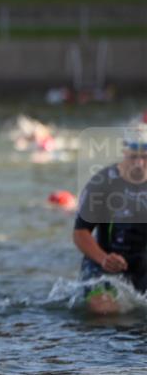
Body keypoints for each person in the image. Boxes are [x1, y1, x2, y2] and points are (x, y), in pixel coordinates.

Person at [73, 123, 147, 314]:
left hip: (143, 264)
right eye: (134, 157)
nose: (139, 163)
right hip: (104, 264)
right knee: (105, 311)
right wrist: (104, 259)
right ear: (124, 152)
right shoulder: (103, 183)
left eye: (145, 157)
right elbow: (80, 233)